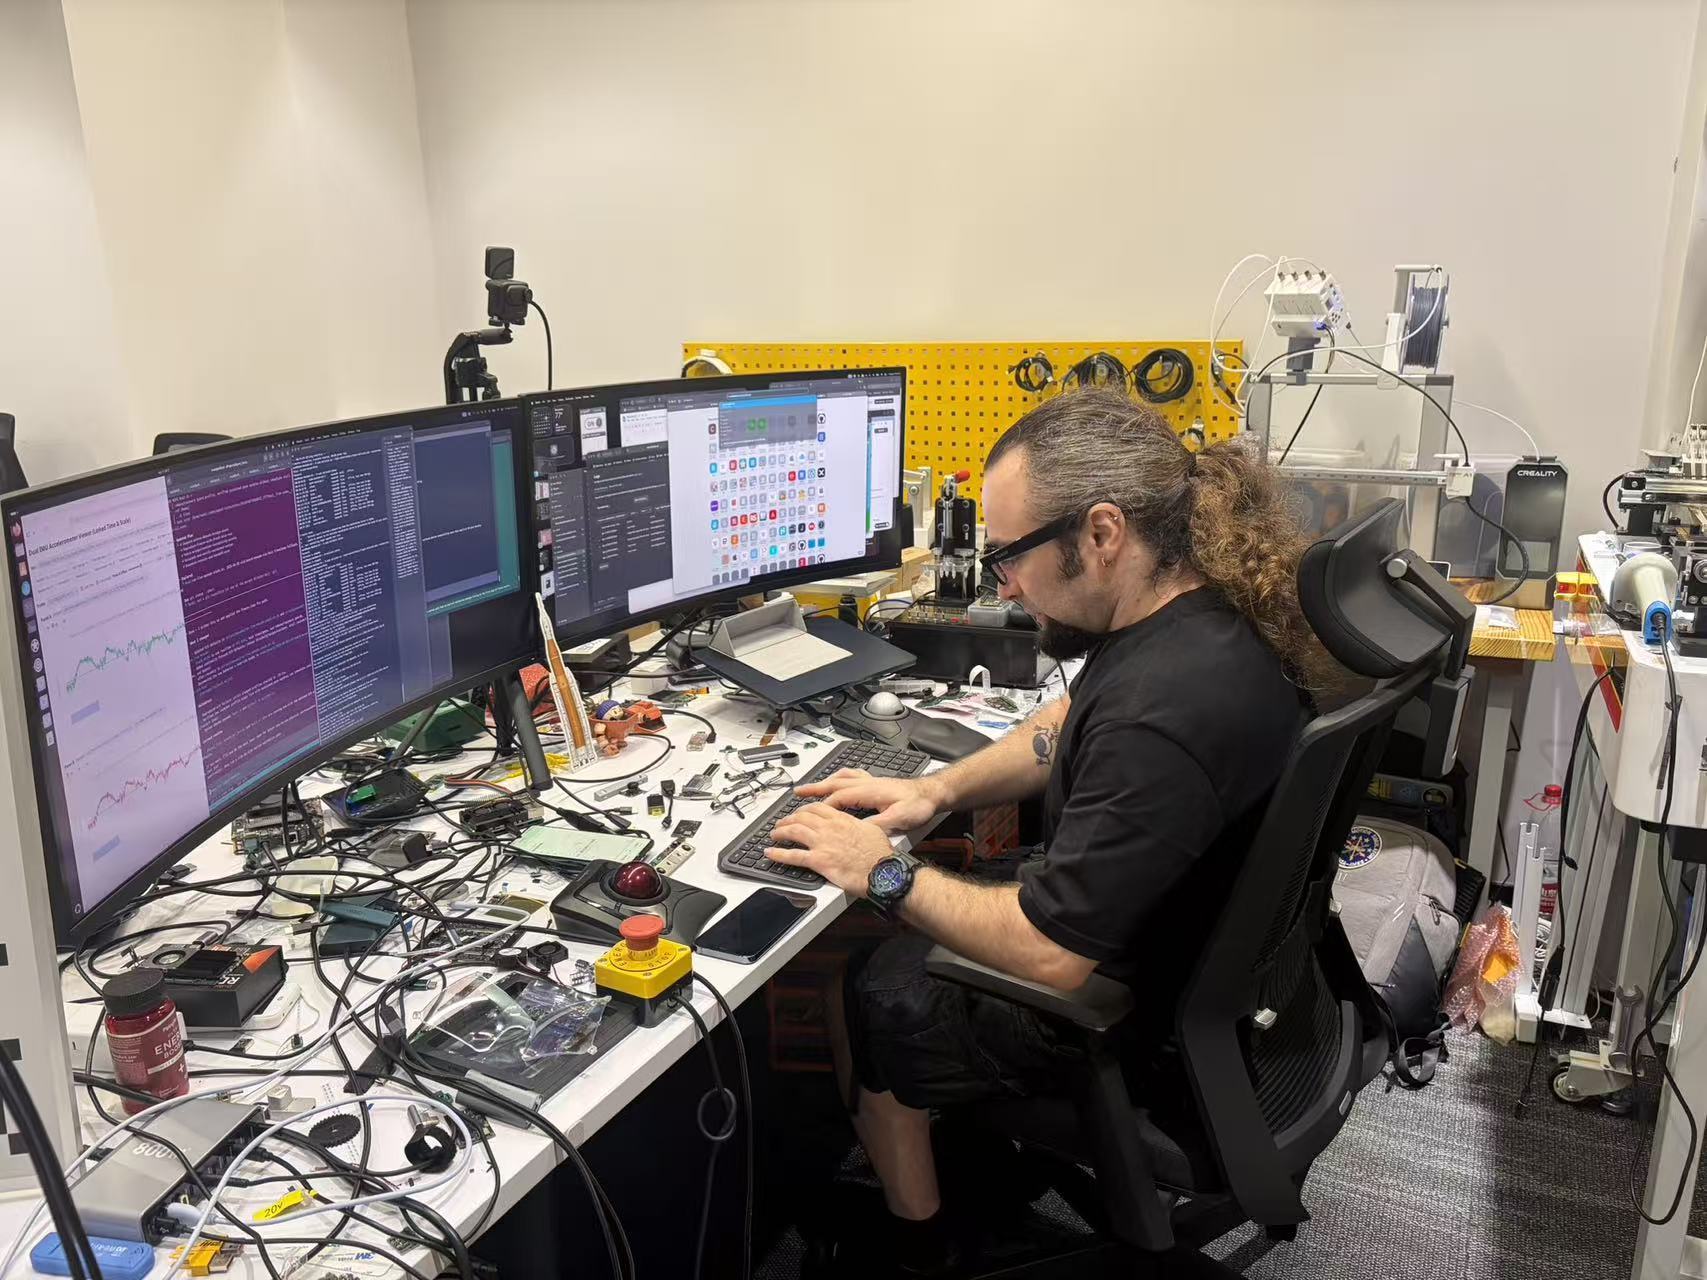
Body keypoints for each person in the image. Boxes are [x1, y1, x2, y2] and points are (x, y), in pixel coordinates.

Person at [764, 387, 1328, 1276]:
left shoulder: (1160, 717)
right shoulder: (1196, 615)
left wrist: (882, 871)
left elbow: (1050, 954)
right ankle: (960, 1160)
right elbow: (1065, 723)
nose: (1003, 584)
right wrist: (936, 790)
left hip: (1124, 1016)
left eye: (1010, 556)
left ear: (1101, 533)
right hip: (1206, 965)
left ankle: (917, 1250)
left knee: (871, 982)